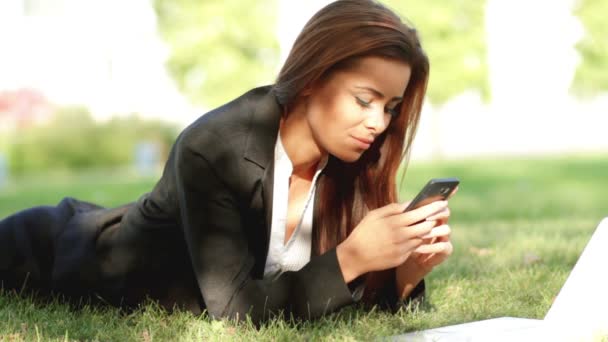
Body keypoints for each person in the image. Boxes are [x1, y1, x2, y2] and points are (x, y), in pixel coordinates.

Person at [0, 0, 454, 325]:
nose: (378, 123)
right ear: (313, 77)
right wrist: (352, 257)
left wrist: (404, 275)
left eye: (391, 107)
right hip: (49, 253)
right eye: (364, 100)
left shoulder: (351, 157)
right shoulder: (215, 146)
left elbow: (335, 297)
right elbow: (237, 313)